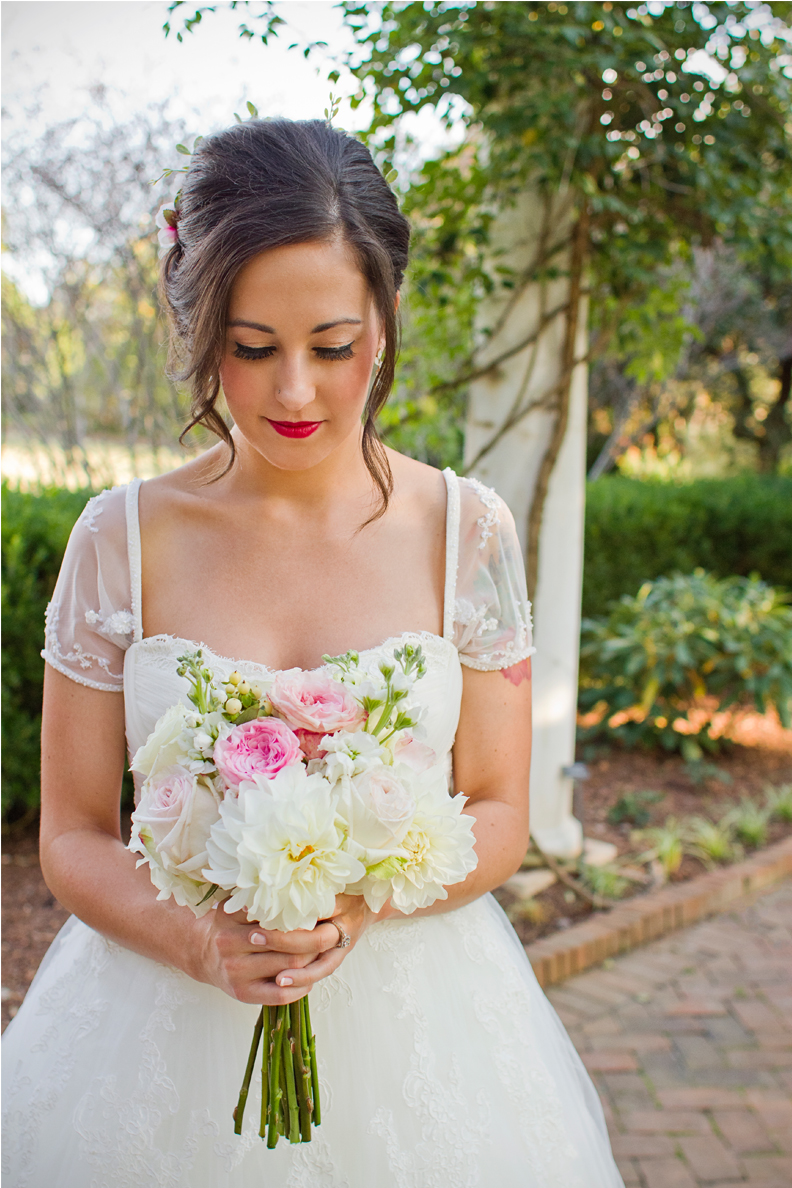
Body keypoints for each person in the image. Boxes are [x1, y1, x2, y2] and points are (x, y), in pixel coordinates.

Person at [2, 118, 623, 1188]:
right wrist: (197, 940)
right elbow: (70, 833)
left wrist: (362, 900)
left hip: (425, 1034)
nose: (295, 392)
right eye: (251, 349)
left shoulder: (463, 533)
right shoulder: (121, 540)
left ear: (385, 320)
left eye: (332, 348)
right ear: (199, 326)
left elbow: (499, 809)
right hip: (155, 1030)